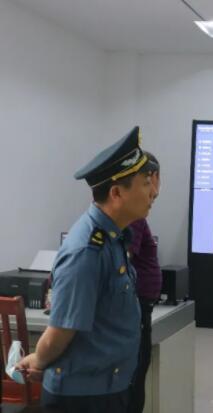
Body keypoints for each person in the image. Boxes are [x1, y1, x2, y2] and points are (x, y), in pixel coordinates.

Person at [16, 126, 158, 412]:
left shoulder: (114, 238)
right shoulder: (86, 251)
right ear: (117, 193)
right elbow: (61, 331)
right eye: (145, 184)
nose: (153, 192)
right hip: (84, 399)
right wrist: (40, 360)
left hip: (106, 388)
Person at [127, 152, 161, 413]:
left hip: (140, 307)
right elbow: (123, 259)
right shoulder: (134, 217)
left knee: (138, 376)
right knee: (135, 377)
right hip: (135, 308)